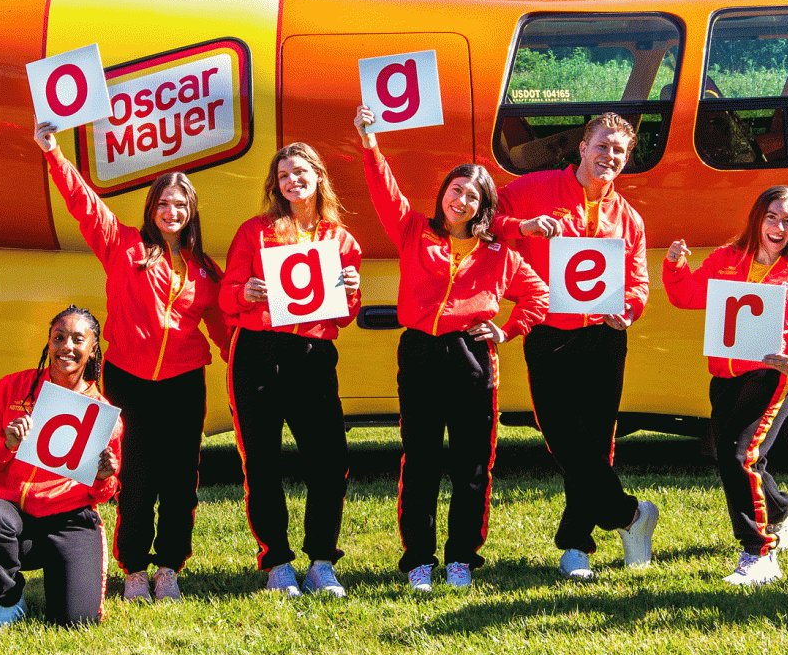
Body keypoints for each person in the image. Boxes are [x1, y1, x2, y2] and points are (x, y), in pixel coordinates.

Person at [355, 107, 550, 591]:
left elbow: (538, 296)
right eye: (456, 190)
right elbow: (385, 190)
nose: (461, 201)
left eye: (472, 196)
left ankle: (461, 556)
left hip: (471, 359)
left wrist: (507, 331)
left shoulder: (499, 253)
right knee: (419, 459)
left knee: (471, 463)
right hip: (420, 352)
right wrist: (369, 141)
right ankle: (418, 558)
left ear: (483, 207)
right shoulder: (412, 231)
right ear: (443, 193)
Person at [33, 122, 228, 603]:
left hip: (183, 383)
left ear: (191, 212)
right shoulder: (124, 247)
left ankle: (169, 568)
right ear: (151, 209)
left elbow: (226, 329)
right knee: (133, 474)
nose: (172, 211)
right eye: (163, 203)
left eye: (180, 205)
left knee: (181, 479)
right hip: (128, 380)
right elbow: (84, 204)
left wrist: (249, 365)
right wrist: (55, 152)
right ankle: (135, 569)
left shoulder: (204, 268)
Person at [491, 111, 659, 578]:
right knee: (563, 438)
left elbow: (638, 281)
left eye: (618, 151)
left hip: (604, 339)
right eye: (602, 146)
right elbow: (488, 217)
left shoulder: (628, 218)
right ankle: (630, 515)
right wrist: (521, 228)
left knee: (595, 444)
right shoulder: (533, 189)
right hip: (547, 332)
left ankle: (576, 545)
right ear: (582, 148)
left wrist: (629, 308)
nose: (609, 156)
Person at [660, 186, 788, 585]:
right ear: (757, 218)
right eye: (772, 217)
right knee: (731, 453)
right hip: (725, 376)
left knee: (740, 456)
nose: (779, 227)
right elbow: (686, 296)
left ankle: (758, 553)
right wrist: (674, 265)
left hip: (771, 376)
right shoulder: (726, 258)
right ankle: (783, 515)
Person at [219, 141, 364, 596]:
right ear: (275, 185)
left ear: (318, 175)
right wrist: (247, 292)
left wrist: (352, 289)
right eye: (284, 176)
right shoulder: (254, 232)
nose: (292, 181)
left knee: (330, 460)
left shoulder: (341, 239)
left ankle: (322, 562)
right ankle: (277, 564)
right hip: (259, 352)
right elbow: (226, 298)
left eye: (300, 172)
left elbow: (343, 315)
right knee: (261, 461)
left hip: (313, 355)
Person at [0, 307, 126, 628]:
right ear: (49, 343)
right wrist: (7, 445)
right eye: (59, 337)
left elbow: (103, 492)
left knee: (75, 623)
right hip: (16, 518)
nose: (67, 346)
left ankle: (65, 570)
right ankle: (9, 597)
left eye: (78, 339)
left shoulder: (103, 414)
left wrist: (104, 476)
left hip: (70, 521)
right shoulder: (12, 387)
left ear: (93, 348)